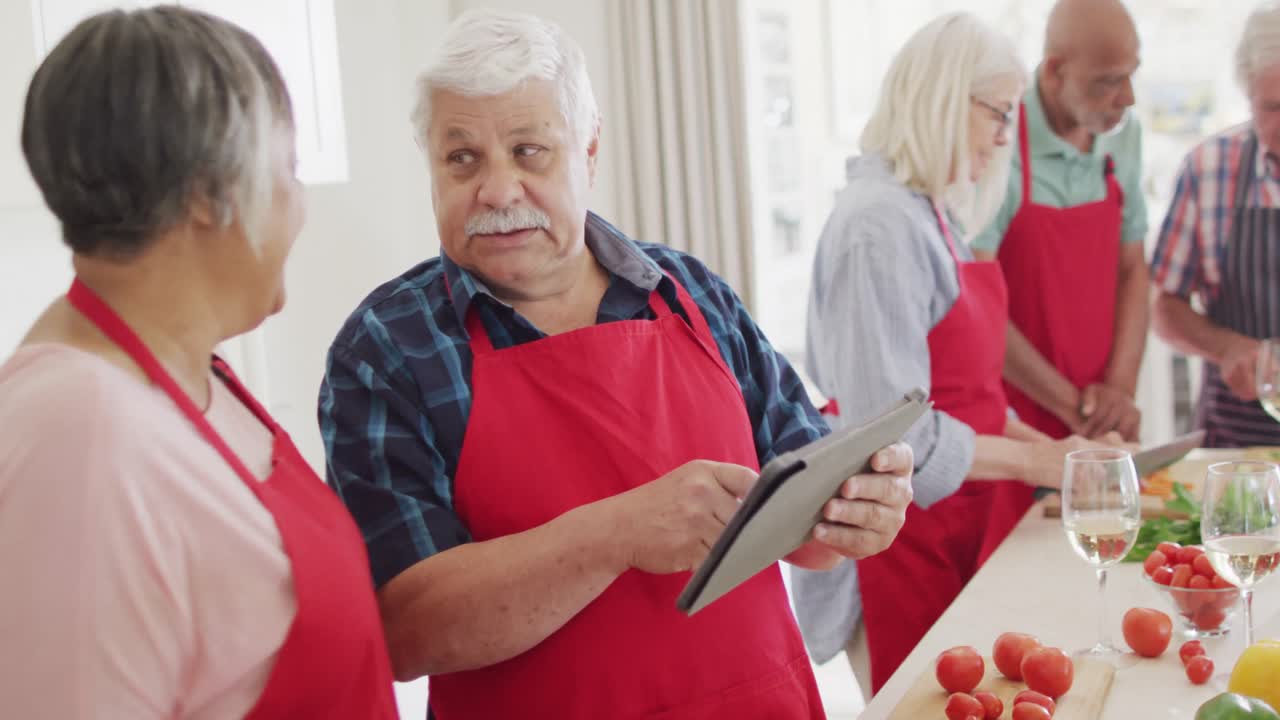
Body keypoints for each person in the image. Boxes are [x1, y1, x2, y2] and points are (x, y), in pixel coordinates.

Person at [318, 9, 914, 720]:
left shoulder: (690, 293)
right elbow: (405, 629)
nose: (498, 190)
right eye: (462, 159)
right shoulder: (387, 349)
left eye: (529, 150)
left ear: (589, 152)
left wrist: (857, 513)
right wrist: (617, 534)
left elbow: (809, 522)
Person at [0, 8, 398, 719]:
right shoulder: (86, 441)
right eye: (288, 170)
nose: (300, 207)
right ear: (208, 196)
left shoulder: (187, 375)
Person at [794, 12, 1114, 697]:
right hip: (899, 537)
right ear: (942, 96)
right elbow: (892, 426)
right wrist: (1035, 459)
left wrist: (1066, 454)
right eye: (998, 115)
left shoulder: (927, 211)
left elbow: (972, 395)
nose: (1005, 138)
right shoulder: (876, 225)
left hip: (959, 520)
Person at [971, 0, 1149, 442]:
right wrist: (1076, 407)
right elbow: (979, 303)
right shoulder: (997, 137)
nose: (1127, 97)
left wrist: (1119, 394)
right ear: (1054, 72)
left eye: (1131, 74)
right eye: (1108, 82)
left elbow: (1133, 270)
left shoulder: (1124, 133)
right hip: (1017, 414)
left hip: (1101, 415)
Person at [1150, 1, 1280, 447]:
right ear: (1248, 98)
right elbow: (1165, 308)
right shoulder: (1209, 169)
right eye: (1272, 108)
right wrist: (1227, 348)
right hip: (1235, 449)